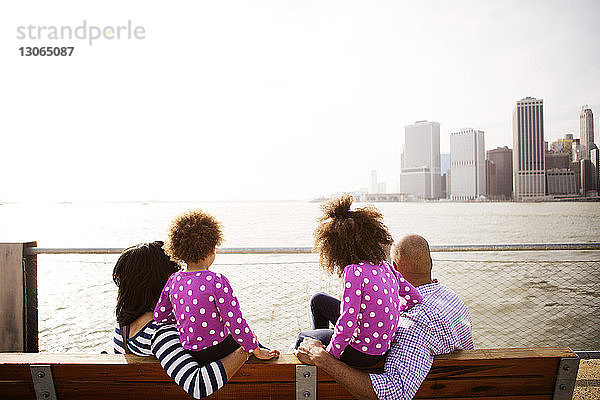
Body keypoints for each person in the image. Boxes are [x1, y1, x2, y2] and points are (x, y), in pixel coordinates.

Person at [295, 234, 474, 400]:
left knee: (305, 338)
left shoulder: (412, 325)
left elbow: (395, 393)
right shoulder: (452, 299)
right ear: (429, 263)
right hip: (465, 383)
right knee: (319, 301)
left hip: (367, 353)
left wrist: (326, 360)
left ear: (395, 267)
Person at [112, 241, 251, 399]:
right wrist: (246, 349)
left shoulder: (123, 321)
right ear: (162, 281)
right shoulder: (160, 333)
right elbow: (198, 385)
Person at [295, 195, 422, 367]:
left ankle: (318, 364)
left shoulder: (354, 272)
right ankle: (324, 336)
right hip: (381, 348)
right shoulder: (385, 266)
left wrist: (330, 357)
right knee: (318, 300)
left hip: (361, 353)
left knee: (303, 337)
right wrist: (389, 314)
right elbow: (415, 297)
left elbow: (348, 321)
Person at [153, 209, 279, 364]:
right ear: (211, 249)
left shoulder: (174, 280)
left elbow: (160, 315)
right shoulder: (215, 281)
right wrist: (255, 349)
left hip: (190, 351)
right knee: (256, 345)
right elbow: (234, 321)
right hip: (218, 349)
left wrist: (187, 320)